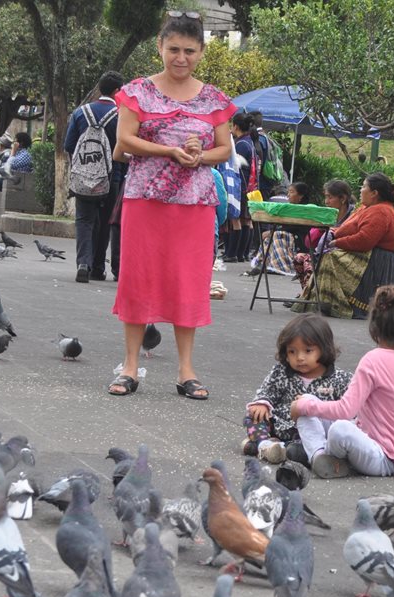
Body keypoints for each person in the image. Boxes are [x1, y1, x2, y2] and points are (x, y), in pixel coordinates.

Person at [108, 11, 234, 399]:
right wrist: (169, 150)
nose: (181, 58)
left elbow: (225, 149)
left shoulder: (215, 99)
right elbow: (124, 141)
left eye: (190, 51)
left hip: (195, 203)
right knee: (137, 276)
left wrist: (199, 155)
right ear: (159, 47)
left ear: (201, 52)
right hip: (144, 199)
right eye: (174, 49)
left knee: (188, 281)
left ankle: (186, 370)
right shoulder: (136, 92)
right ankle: (130, 366)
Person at [291, 285, 394, 479]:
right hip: (373, 447)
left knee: (327, 420)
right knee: (309, 403)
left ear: (375, 326)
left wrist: (304, 406)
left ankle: (317, 454)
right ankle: (320, 456)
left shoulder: (373, 359)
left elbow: (345, 410)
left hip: (382, 459)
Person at [242, 314, 353, 464]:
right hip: (280, 425)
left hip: (307, 435)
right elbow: (267, 390)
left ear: (324, 349)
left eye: (308, 351)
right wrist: (261, 403)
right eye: (292, 352)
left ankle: (268, 448)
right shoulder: (281, 372)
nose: (299, 358)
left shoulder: (339, 378)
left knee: (300, 450)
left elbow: (352, 405)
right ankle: (264, 444)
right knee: (253, 415)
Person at [305, 172, 394, 320]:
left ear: (374, 193)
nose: (360, 189)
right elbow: (348, 227)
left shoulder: (381, 210)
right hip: (369, 255)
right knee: (326, 255)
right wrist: (334, 234)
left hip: (380, 262)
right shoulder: (366, 208)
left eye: (363, 186)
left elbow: (365, 240)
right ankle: (322, 301)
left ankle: (332, 303)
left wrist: (336, 242)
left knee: (331, 257)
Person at [65, 71, 125, 282]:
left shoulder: (81, 113)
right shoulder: (121, 115)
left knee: (84, 220)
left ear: (100, 88)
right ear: (118, 91)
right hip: (112, 178)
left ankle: (83, 263)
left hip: (83, 178)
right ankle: (98, 268)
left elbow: (69, 145)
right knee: (106, 221)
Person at [295, 179, 354, 293]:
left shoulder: (353, 216)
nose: (326, 201)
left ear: (342, 199)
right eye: (326, 197)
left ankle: (309, 296)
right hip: (324, 253)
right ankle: (308, 294)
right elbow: (309, 242)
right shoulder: (328, 215)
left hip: (343, 256)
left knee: (309, 263)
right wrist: (319, 229)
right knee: (299, 258)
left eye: (330, 197)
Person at [247, 181, 311, 277]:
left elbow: (292, 227)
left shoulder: (306, 209)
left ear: (300, 196)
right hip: (290, 238)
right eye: (288, 192)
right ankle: (266, 263)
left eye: (292, 192)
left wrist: (272, 232)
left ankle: (282, 266)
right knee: (271, 236)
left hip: (299, 243)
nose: (288, 195)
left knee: (277, 235)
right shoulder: (289, 207)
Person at [224, 112, 257, 263]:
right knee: (246, 220)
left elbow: (235, 166)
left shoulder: (241, 144)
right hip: (251, 187)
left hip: (241, 186)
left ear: (235, 126)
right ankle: (242, 254)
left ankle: (232, 253)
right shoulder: (250, 142)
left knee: (236, 219)